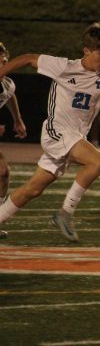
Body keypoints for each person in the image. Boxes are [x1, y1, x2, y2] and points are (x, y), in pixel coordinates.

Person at [0, 22, 100, 242]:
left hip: (75, 138)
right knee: (98, 161)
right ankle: (65, 213)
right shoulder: (64, 66)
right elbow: (28, 58)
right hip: (57, 132)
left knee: (32, 190)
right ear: (86, 50)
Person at [0, 42, 27, 239]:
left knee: (2, 173)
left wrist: (17, 119)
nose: (4, 65)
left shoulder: (7, 83)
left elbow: (9, 95)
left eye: (5, 62)